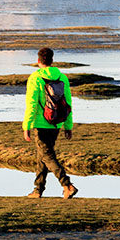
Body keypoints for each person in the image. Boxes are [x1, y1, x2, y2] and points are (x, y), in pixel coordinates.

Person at [23, 47, 77, 198]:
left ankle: (67, 184)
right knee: (43, 156)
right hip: (57, 122)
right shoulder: (62, 77)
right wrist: (68, 125)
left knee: (47, 156)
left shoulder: (35, 78)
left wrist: (26, 125)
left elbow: (32, 104)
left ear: (38, 61)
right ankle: (38, 190)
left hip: (41, 124)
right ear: (52, 60)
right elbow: (68, 104)